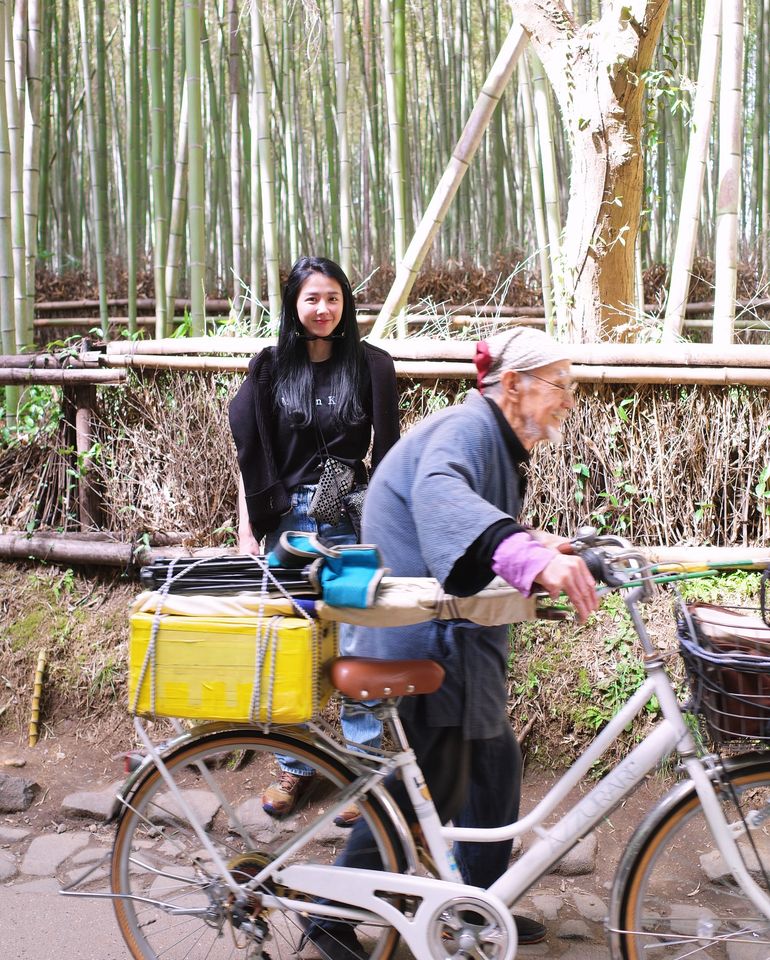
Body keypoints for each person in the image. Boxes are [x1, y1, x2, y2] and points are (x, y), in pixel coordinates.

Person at [303, 326, 599, 960]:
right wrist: (522, 551)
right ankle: (329, 912)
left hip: (453, 636)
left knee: (493, 769)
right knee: (433, 779)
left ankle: (482, 903)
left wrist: (534, 543)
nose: (566, 401)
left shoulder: (490, 437)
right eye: (559, 386)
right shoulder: (467, 428)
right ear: (513, 385)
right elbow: (443, 497)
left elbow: (472, 530)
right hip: (427, 641)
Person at [228, 256, 400, 819]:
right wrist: (246, 521)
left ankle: (362, 769)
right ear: (294, 305)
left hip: (351, 522)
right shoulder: (270, 368)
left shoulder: (373, 365)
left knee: (356, 644)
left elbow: (390, 457)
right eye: (311, 299)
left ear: (345, 301)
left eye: (332, 297)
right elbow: (252, 453)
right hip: (289, 526)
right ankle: (294, 768)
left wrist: (387, 528)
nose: (322, 309)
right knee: (288, 648)